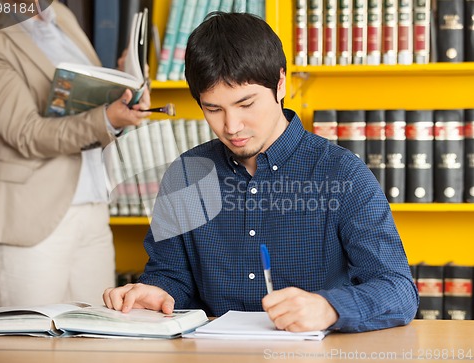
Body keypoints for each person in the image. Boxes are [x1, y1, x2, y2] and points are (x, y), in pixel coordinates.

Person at [103, 11, 419, 333]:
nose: (231, 126)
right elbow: (170, 275)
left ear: (280, 83)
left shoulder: (342, 174)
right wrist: (156, 292)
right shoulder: (186, 175)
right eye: (213, 109)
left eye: (246, 104)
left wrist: (330, 308)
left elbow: (398, 290)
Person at [0, 1, 151, 308]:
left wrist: (123, 85)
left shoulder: (62, 16)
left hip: (93, 209)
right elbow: (26, 133)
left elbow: (86, 99)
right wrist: (107, 119)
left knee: (98, 344)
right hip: (29, 219)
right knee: (28, 349)